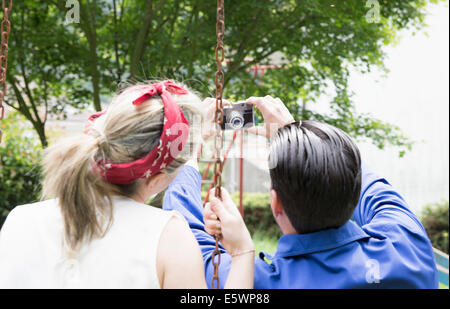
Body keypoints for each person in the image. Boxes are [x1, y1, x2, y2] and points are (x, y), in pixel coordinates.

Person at [163, 95, 439, 288]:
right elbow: (373, 188)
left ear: (276, 203)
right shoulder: (407, 247)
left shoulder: (249, 280)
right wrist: (295, 136)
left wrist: (192, 145)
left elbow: (187, 236)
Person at [0, 80, 254, 289]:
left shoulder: (20, 220)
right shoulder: (169, 237)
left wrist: (185, 147)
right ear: (157, 180)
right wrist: (242, 253)